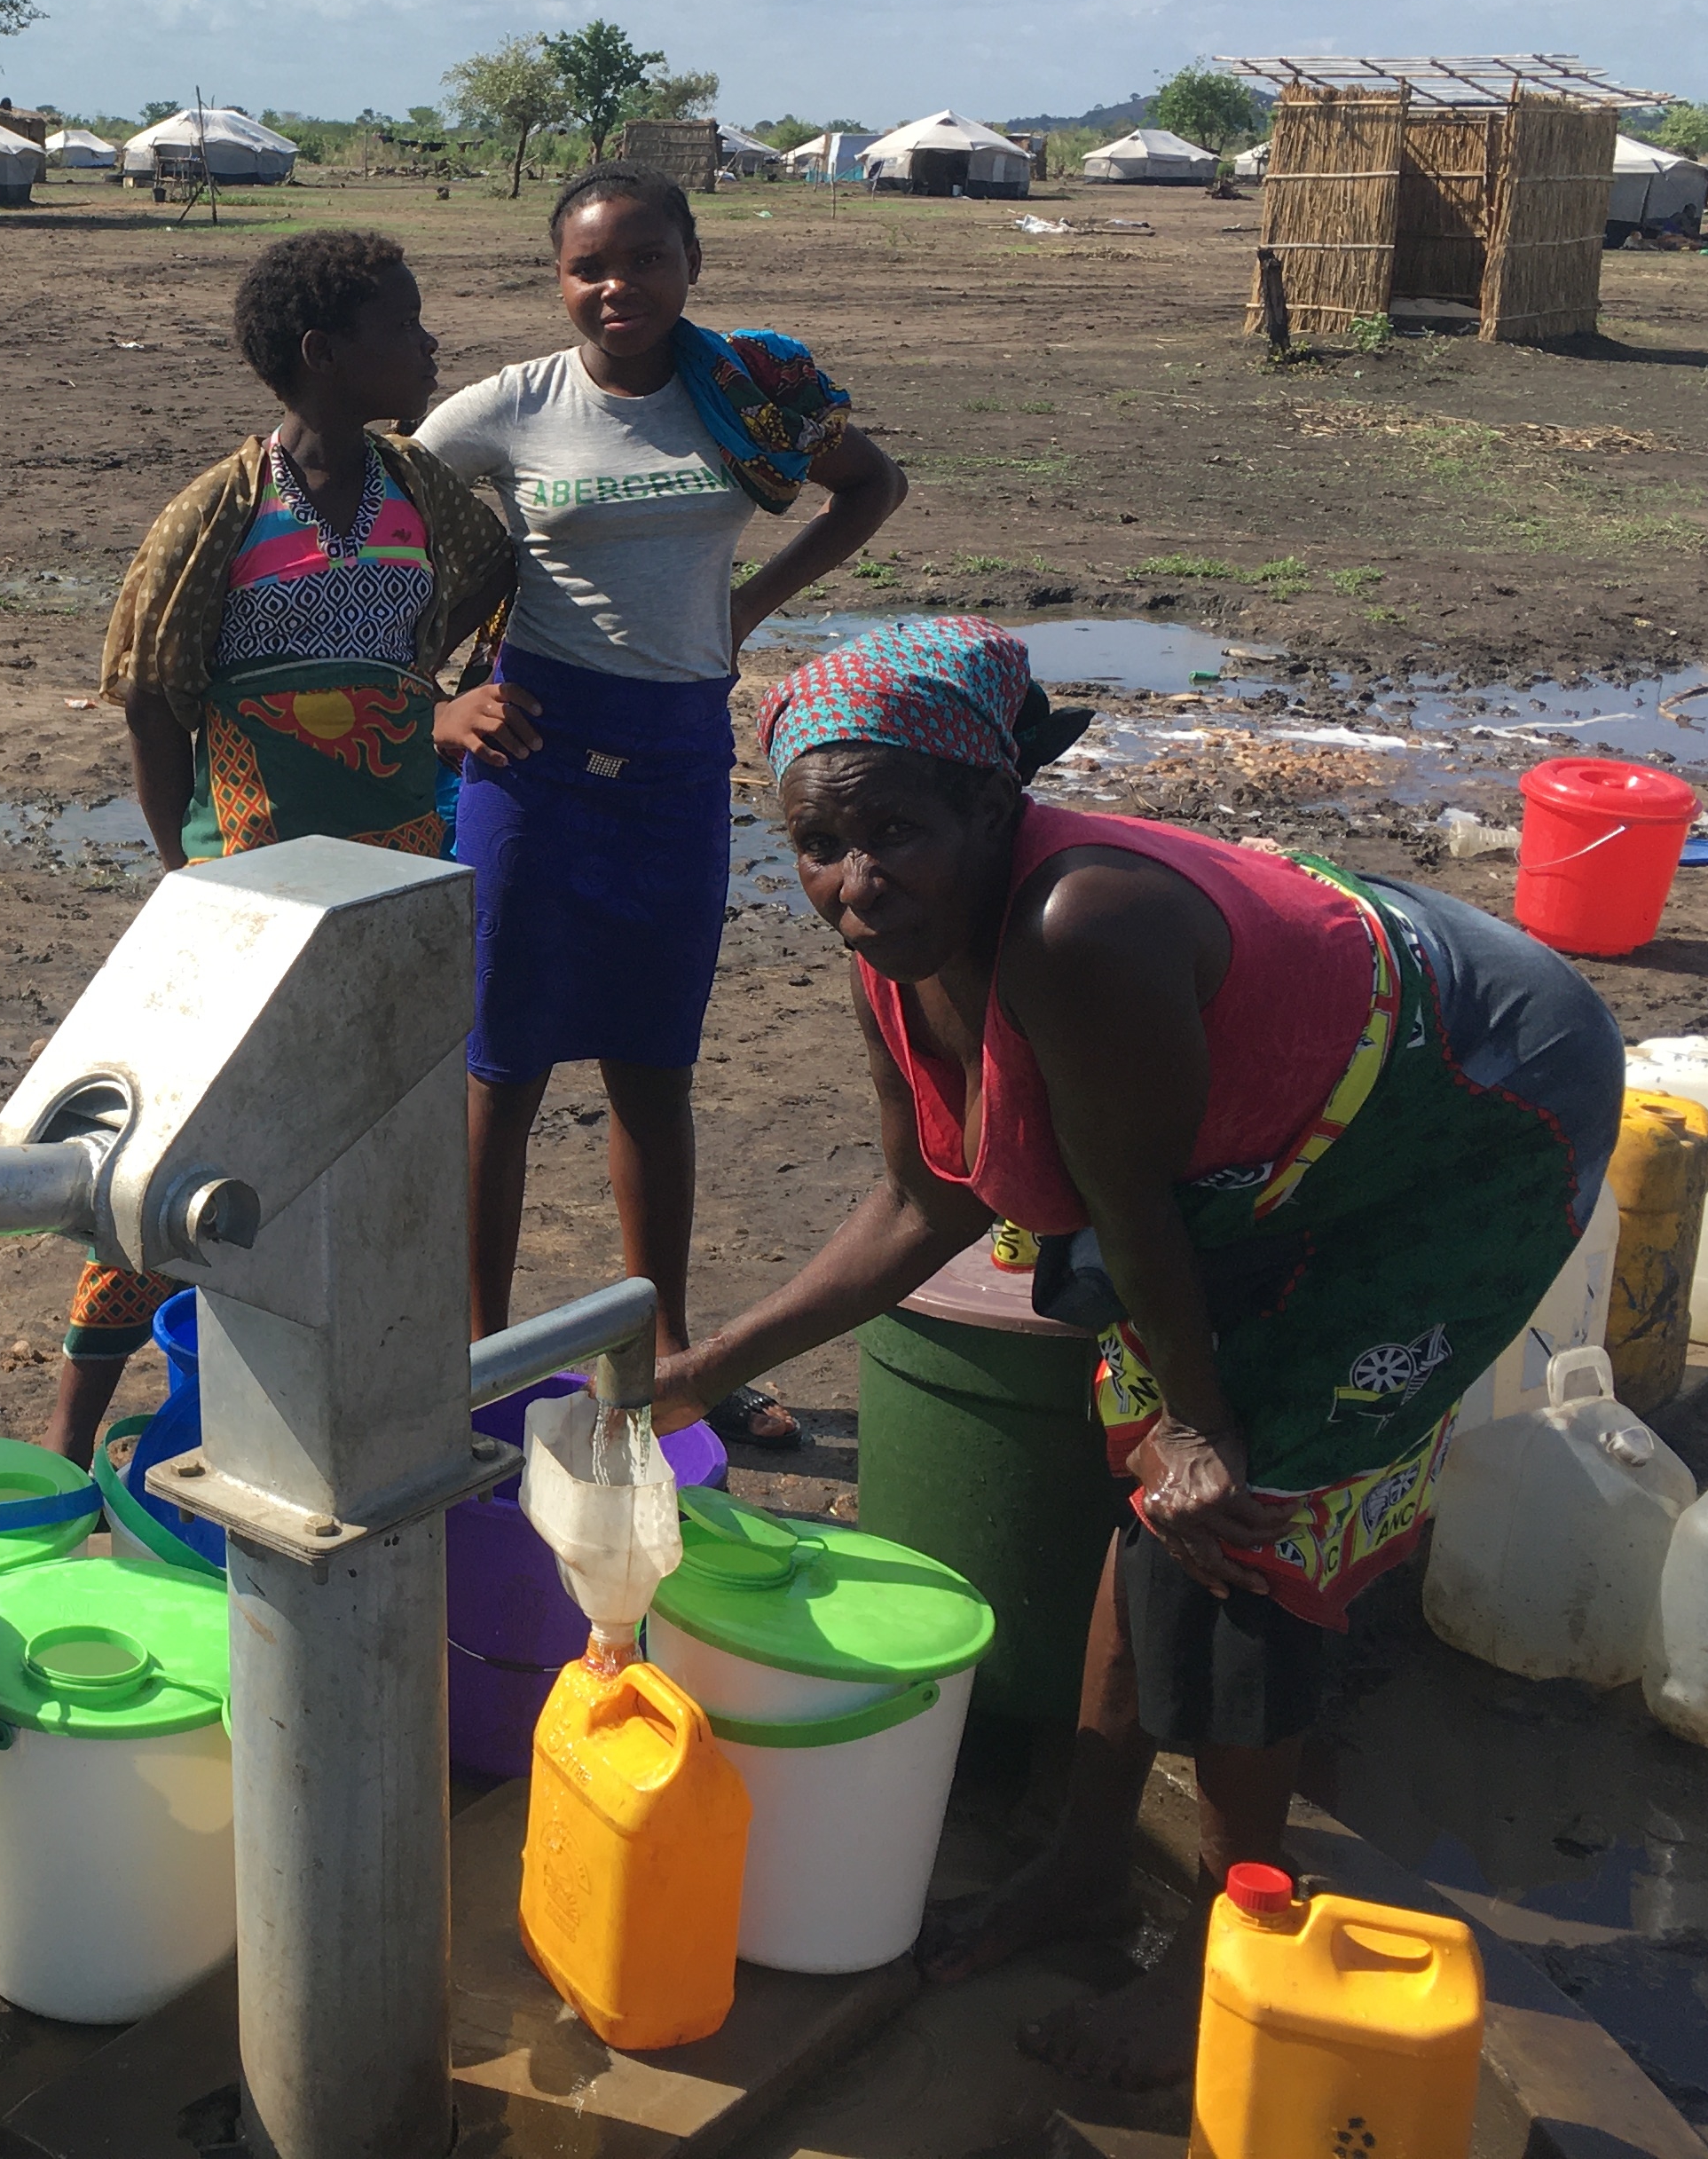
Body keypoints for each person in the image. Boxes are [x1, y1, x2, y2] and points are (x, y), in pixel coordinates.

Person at [655, 617, 1621, 2086]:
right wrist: (705, 1367)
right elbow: (934, 1192)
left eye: (898, 833)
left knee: (1242, 1527)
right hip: (1268, 1131)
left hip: (1469, 1116)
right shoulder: (902, 942)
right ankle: (1085, 1865)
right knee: (1156, 1482)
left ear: (995, 807)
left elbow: (1135, 1214)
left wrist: (1211, 1427)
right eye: (815, 846)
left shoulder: (1078, 929)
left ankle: (1233, 1956)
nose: (855, 886)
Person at [413, 163, 906, 1431]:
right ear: (558, 280)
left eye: (643, 260)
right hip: (530, 768)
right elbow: (363, 532)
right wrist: (430, 707)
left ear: (693, 264)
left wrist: (743, 609)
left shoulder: (741, 393)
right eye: (589, 266)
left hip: (681, 764)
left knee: (654, 1068)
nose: (615, 287)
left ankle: (670, 1360)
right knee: (502, 1067)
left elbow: (873, 484)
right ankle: (481, 1360)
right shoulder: (513, 407)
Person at [58, 229, 512, 1464]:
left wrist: (424, 699)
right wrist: (180, 871)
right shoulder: (223, 509)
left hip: (400, 862)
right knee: (180, 1151)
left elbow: (491, 578)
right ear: (323, 354)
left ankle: (333, 1403)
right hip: (247, 873)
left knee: (373, 1127)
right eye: (405, 328)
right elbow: (153, 690)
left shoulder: (418, 490)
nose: (429, 349)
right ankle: (64, 1444)